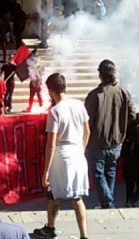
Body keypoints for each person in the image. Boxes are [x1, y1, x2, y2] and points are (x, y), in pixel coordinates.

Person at [34, 73, 90, 239]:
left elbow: (50, 144)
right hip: (77, 154)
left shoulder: (55, 111)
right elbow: (87, 132)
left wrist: (46, 171)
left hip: (61, 155)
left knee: (53, 194)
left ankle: (51, 228)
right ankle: (84, 234)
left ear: (51, 90)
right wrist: (81, 150)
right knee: (77, 197)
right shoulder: (79, 105)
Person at [84, 59, 136, 209]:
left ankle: (108, 203)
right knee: (110, 172)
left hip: (97, 142)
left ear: (100, 74)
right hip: (116, 141)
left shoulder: (95, 95)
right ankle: (107, 202)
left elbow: (87, 120)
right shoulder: (124, 93)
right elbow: (133, 116)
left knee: (99, 175)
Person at [122, 117, 139, 208]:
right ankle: (132, 200)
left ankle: (128, 202)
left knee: (129, 184)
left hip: (126, 162)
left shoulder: (124, 135)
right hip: (137, 163)